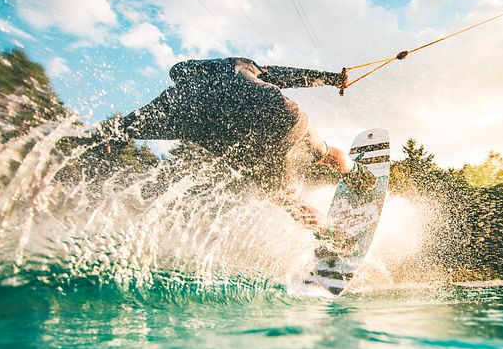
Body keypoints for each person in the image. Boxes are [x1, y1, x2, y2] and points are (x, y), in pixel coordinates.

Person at [121, 57, 375, 231]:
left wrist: (108, 138)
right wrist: (330, 78)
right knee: (325, 153)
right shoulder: (232, 65)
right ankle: (361, 177)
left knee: (289, 202)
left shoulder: (176, 103)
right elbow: (285, 76)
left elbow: (130, 124)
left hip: (253, 151)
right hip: (286, 119)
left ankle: (334, 240)